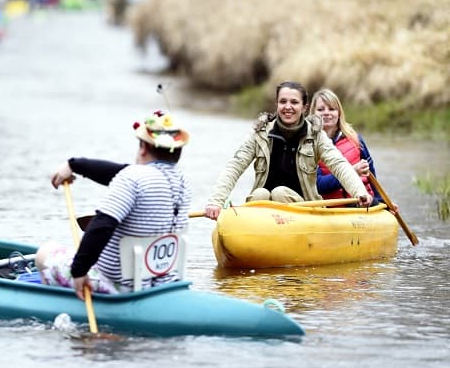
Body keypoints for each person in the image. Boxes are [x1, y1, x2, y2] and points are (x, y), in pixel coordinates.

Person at [36, 110, 192, 300]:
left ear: (143, 147)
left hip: (121, 287)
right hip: (164, 283)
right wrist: (74, 165)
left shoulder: (132, 178)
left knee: (44, 253)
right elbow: (119, 172)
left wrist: (79, 271)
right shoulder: (183, 180)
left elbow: (102, 226)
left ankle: (63, 303)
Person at [204, 81, 373, 220]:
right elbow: (235, 166)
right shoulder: (260, 133)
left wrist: (359, 191)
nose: (288, 107)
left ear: (304, 107)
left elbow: (339, 164)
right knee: (260, 194)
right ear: (277, 104)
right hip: (263, 207)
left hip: (305, 209)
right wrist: (216, 202)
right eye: (283, 101)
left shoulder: (316, 135)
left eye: (294, 102)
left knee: (280, 192)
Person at [309, 88, 383, 204]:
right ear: (313, 113)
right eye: (320, 109)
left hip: (362, 202)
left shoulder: (356, 139)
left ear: (339, 114)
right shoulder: (308, 146)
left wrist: (382, 202)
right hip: (330, 207)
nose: (326, 113)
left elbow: (372, 175)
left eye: (332, 109)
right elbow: (318, 185)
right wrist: (353, 171)